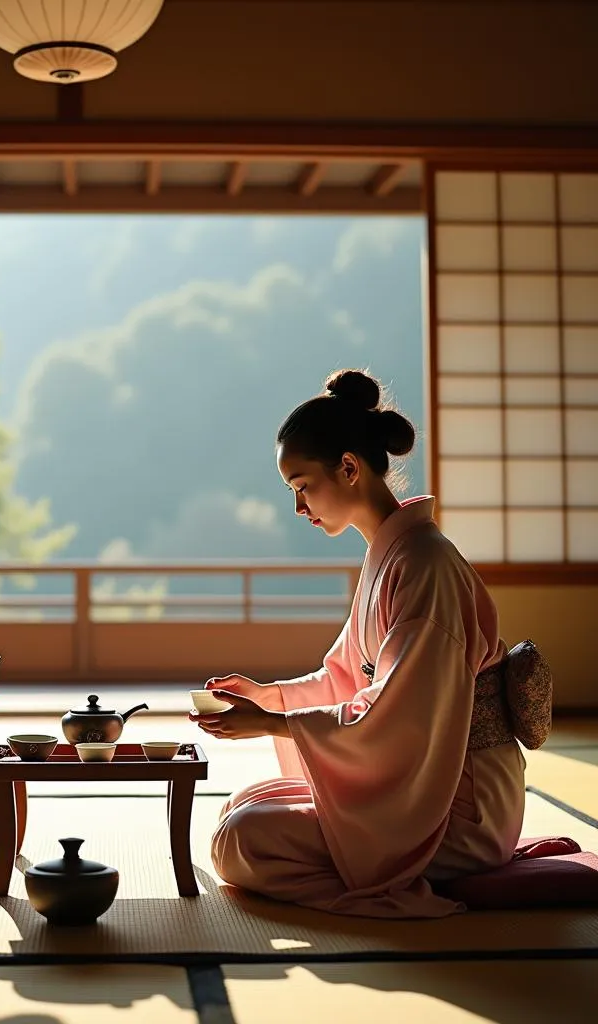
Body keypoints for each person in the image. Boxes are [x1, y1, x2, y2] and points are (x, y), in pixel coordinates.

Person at [194, 369, 526, 918]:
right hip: (420, 782)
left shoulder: (425, 564)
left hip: (457, 804)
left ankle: (383, 888)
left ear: (348, 468)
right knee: (243, 809)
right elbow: (346, 678)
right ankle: (364, 867)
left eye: (302, 487)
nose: (300, 508)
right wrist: (269, 698)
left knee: (244, 841)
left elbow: (406, 710)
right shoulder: (391, 557)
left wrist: (278, 726)